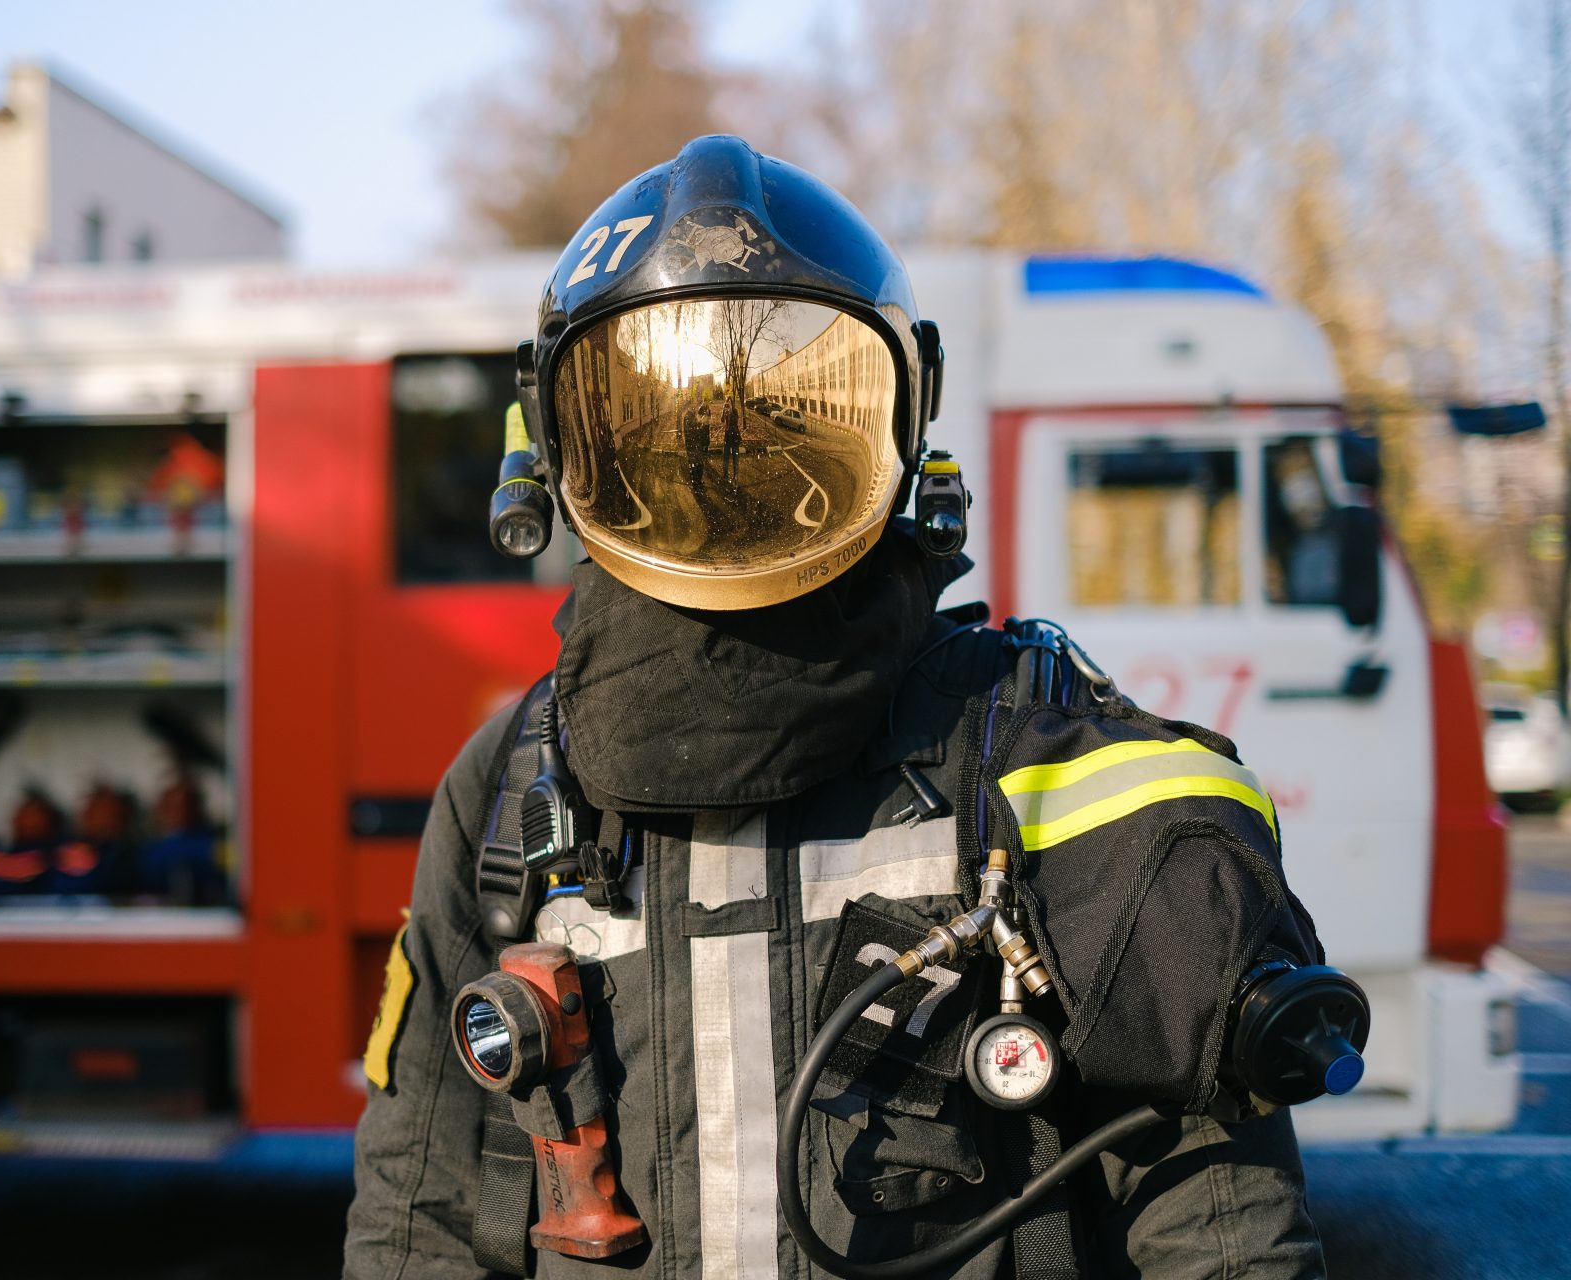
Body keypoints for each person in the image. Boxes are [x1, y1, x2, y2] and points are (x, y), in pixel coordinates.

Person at [346, 136, 1333, 1280]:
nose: (722, 456)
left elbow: (1217, 1227)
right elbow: (423, 1204)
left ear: (909, 416)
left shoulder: (1046, 765)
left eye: (784, 408)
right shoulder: (511, 788)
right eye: (671, 412)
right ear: (557, 436)